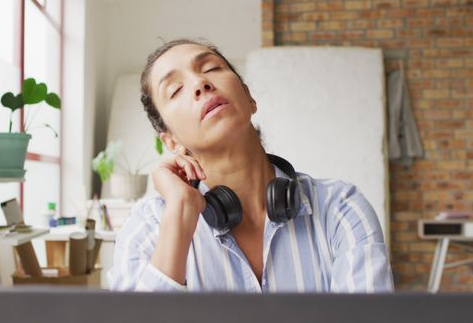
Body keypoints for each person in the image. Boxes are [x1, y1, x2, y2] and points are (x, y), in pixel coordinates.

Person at [107, 39, 393, 292]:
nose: (200, 84)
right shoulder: (147, 229)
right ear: (171, 142)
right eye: (176, 89)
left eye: (211, 69)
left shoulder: (340, 208)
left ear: (249, 97)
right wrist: (180, 212)